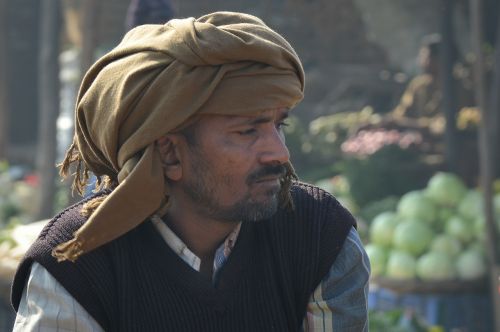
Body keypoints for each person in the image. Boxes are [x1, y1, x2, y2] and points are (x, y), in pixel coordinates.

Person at [11, 12, 370, 331]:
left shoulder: (320, 237)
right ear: (170, 154)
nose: (280, 152)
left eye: (280, 126)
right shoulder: (76, 265)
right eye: (248, 131)